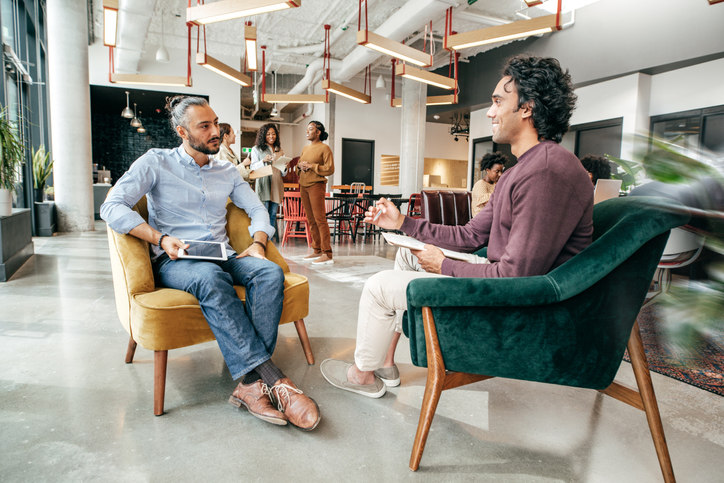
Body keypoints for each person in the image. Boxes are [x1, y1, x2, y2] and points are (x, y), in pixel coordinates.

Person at [320, 55, 594, 398]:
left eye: (497, 102)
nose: (490, 112)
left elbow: (516, 278)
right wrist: (404, 222)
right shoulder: (520, 170)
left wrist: (445, 266)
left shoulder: (546, 172)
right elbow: (471, 235)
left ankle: (362, 374)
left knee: (378, 287)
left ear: (527, 107)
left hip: (521, 306)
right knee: (407, 256)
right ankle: (385, 362)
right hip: (502, 277)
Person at [101, 96, 320, 430]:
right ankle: (276, 380)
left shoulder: (226, 170)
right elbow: (112, 206)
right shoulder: (156, 162)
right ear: (182, 132)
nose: (215, 131)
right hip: (178, 260)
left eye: (216, 123)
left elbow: (258, 209)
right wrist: (160, 238)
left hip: (225, 254)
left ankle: (249, 385)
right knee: (208, 277)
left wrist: (259, 243)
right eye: (205, 126)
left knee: (269, 272)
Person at [296, 120, 335, 265]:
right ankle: (317, 249)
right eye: (307, 129)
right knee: (311, 219)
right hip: (304, 185)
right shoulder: (306, 148)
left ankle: (327, 253)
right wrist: (300, 166)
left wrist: (312, 166)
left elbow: (330, 169)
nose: (307, 131)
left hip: (316, 186)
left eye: (310, 129)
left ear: (318, 132)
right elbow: (298, 167)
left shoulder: (325, 148)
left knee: (320, 219)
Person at [250, 124, 287, 240]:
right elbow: (253, 167)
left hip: (276, 184)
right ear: (263, 135)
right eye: (268, 134)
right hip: (264, 184)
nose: (271, 136)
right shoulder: (256, 149)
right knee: (263, 214)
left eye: (274, 134)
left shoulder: (279, 150)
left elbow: (283, 173)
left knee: (272, 214)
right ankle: (261, 240)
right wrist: (263, 161)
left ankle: (269, 240)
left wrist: (284, 167)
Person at [471, 152, 507, 216]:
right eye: (497, 171)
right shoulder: (480, 184)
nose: (500, 174)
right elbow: (490, 205)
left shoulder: (495, 184)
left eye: (501, 171)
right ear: (488, 170)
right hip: (481, 221)